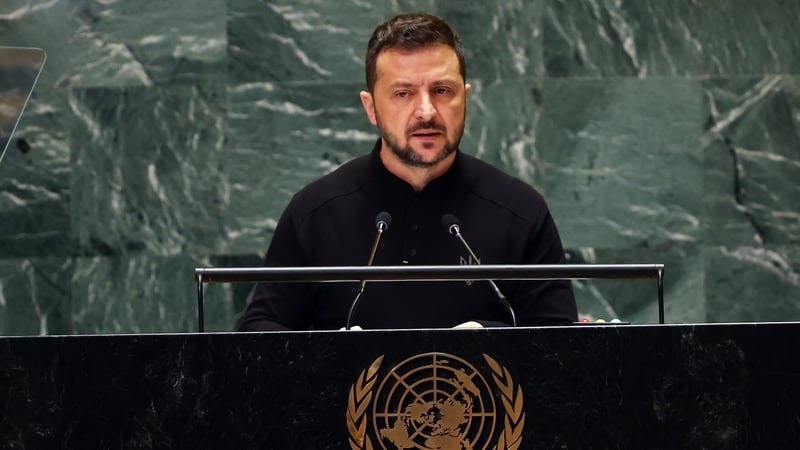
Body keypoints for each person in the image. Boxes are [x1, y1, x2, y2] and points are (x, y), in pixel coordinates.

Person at [238, 13, 577, 331]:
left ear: (466, 97)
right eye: (404, 94)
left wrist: (490, 342)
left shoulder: (521, 211)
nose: (426, 111)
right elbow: (259, 336)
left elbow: (563, 349)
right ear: (371, 108)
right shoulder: (314, 212)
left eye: (442, 91)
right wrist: (330, 358)